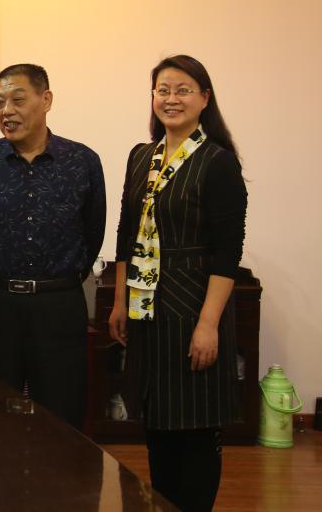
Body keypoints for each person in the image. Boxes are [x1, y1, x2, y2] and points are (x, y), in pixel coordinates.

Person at [108, 55, 246, 512]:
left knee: (196, 430)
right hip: (148, 311)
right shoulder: (141, 156)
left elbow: (227, 253)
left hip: (193, 308)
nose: (172, 99)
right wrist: (119, 302)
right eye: (163, 90)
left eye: (183, 90)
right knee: (158, 427)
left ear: (204, 99)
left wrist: (209, 324)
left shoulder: (218, 162)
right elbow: (126, 234)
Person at [0, 63, 104, 429]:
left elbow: (93, 232)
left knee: (61, 413)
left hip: (58, 305)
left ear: (46, 100)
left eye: (18, 100)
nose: (6, 111)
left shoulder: (82, 162)